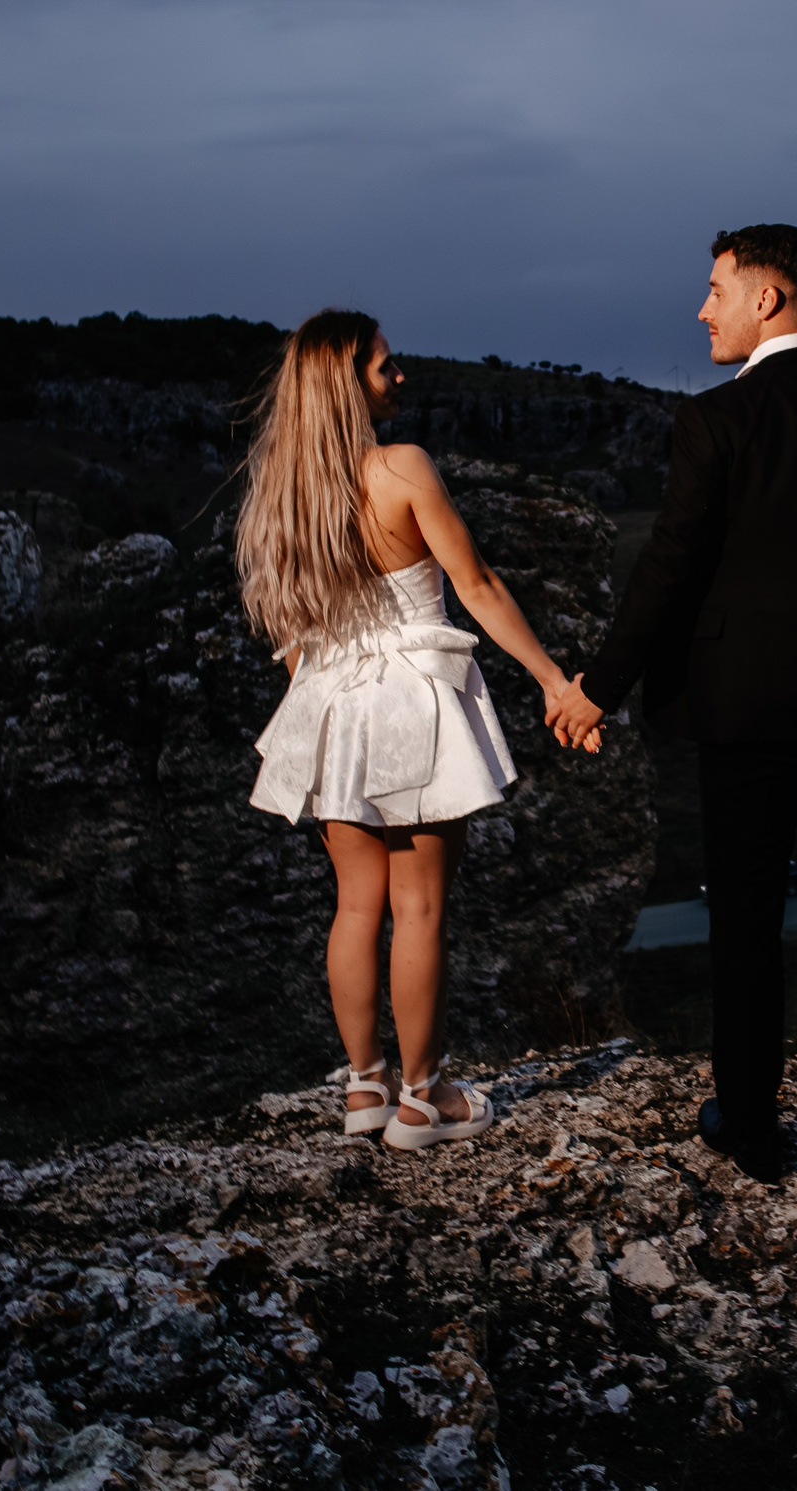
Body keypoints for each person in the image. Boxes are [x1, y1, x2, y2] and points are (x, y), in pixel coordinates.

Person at [549, 225, 797, 1176]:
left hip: (744, 711)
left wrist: (596, 689)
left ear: (769, 298)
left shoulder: (714, 422)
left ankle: (753, 1125)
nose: (703, 309)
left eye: (715, 290)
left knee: (745, 920)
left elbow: (668, 574)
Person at [239, 309, 596, 1151]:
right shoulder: (401, 467)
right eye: (384, 368)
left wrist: (320, 714)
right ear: (346, 385)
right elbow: (475, 582)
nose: (401, 378)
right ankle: (423, 1100)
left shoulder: (286, 495)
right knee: (421, 903)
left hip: (331, 701)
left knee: (354, 903)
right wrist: (552, 679)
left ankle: (364, 1085)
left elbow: (292, 635)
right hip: (412, 701)